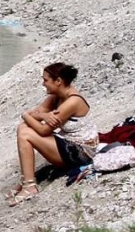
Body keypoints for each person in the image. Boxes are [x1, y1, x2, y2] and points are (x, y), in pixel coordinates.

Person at [9, 63, 99, 206]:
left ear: (58, 81)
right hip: (69, 142)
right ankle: (26, 179)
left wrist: (25, 114)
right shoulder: (55, 97)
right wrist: (43, 116)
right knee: (24, 127)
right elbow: (36, 114)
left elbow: (44, 130)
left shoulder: (72, 101)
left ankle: (29, 186)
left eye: (45, 80)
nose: (43, 83)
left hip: (82, 151)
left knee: (25, 132)